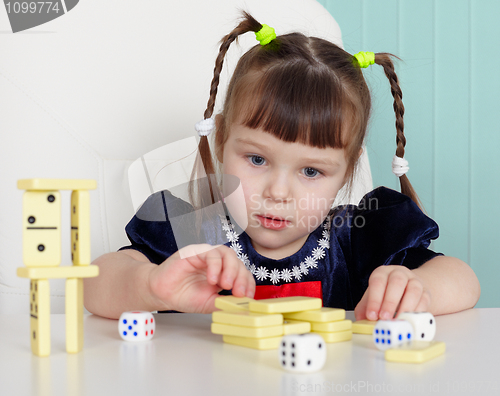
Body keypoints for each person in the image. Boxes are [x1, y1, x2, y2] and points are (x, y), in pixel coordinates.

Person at [84, 12, 480, 320]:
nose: (278, 192)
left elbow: (464, 280)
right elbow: (96, 284)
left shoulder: (357, 242)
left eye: (311, 171)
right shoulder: (197, 236)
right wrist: (149, 284)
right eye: (257, 159)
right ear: (221, 140)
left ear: (349, 171)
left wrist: (414, 287)